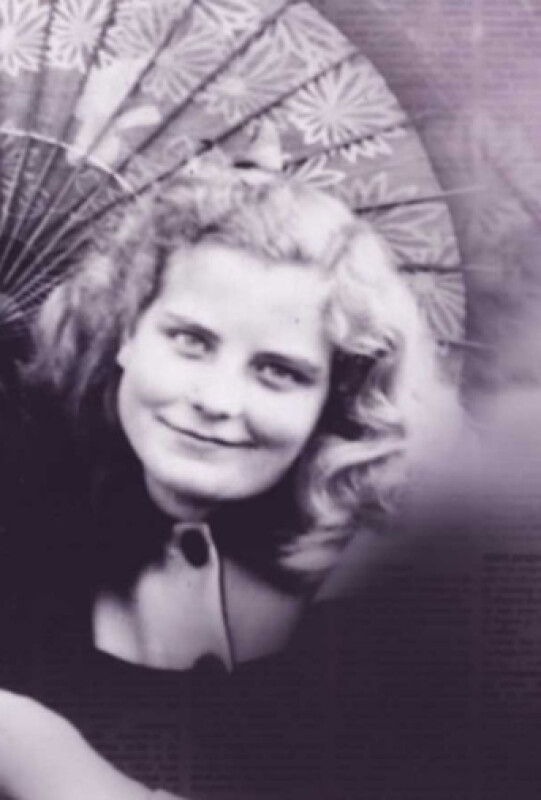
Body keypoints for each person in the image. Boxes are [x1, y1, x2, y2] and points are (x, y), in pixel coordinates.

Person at [0, 145, 459, 798]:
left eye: (278, 371)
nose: (216, 400)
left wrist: (38, 754)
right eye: (191, 341)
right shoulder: (30, 514)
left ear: (333, 395)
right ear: (128, 334)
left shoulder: (389, 593)